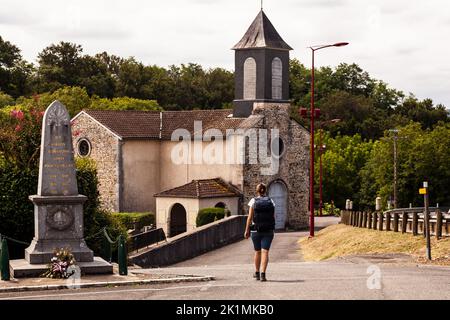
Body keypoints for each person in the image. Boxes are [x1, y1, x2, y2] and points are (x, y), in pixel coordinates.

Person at [244, 183, 275, 282]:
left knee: (257, 252)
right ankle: (263, 274)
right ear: (265, 190)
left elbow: (249, 217)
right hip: (268, 230)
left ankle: (256, 273)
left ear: (257, 191)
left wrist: (246, 230)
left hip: (255, 230)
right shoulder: (271, 201)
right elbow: (273, 217)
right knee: (265, 251)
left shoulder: (253, 201)